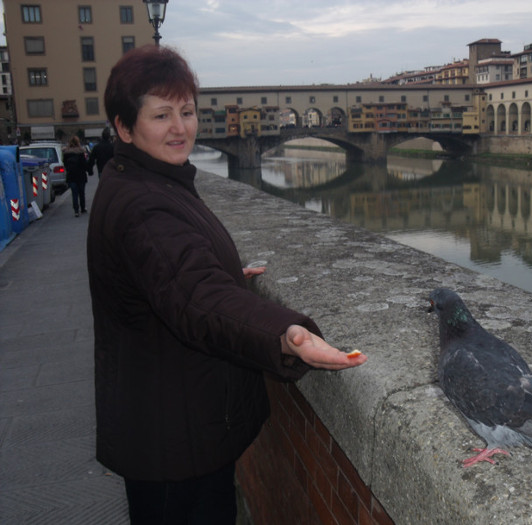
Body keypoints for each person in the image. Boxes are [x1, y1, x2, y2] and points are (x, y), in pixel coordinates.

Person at [86, 44, 367, 524]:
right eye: (162, 115)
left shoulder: (149, 180)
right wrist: (286, 333)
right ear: (124, 128)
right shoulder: (143, 203)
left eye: (188, 111)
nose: (181, 127)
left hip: (169, 428)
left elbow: (169, 272)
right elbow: (195, 295)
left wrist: (224, 269)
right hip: (174, 443)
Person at [62, 136, 91, 217]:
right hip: (81, 175)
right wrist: (89, 170)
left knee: (74, 194)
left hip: (71, 176)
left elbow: (65, 164)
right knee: (81, 193)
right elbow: (84, 164)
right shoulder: (81, 152)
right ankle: (83, 208)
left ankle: (76, 210)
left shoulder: (66, 153)